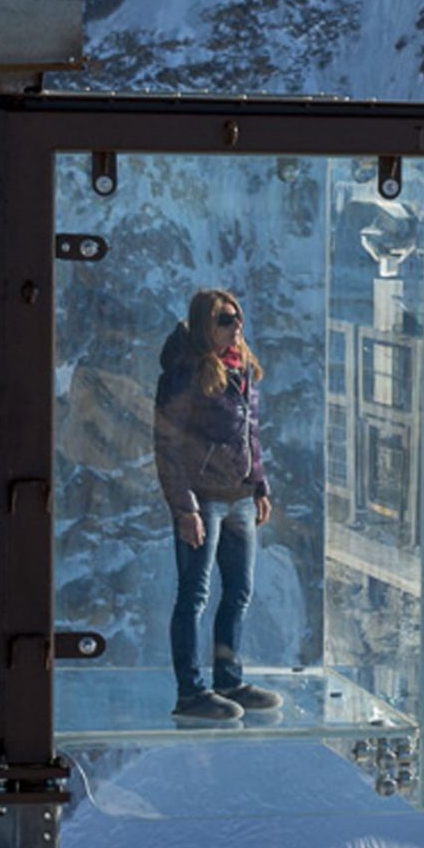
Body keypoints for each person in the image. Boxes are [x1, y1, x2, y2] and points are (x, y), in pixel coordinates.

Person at [154, 288, 284, 722]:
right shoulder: (184, 371)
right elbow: (167, 444)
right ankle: (191, 693)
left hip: (239, 499)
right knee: (194, 595)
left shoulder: (240, 366)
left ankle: (229, 681)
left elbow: (251, 433)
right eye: (225, 319)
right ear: (203, 326)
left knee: (239, 592)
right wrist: (184, 508)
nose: (236, 325)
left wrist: (259, 485)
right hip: (202, 500)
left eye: (237, 317)